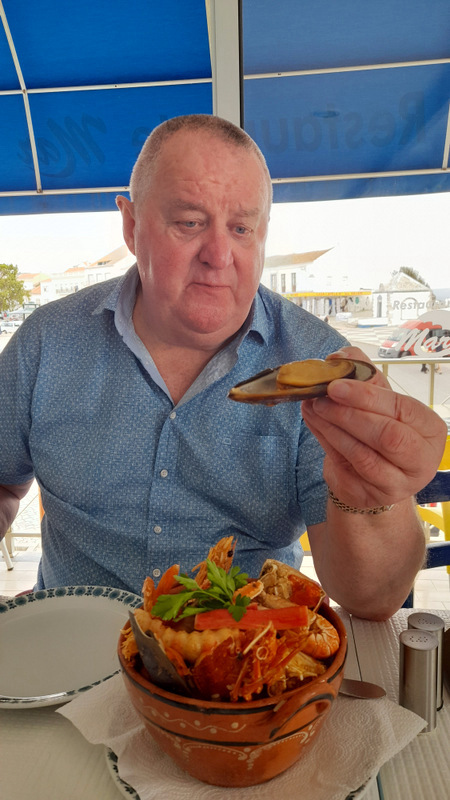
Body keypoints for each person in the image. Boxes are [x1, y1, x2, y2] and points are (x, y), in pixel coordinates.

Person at [0, 115, 446, 620]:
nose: (219, 255)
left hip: (243, 665)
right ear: (130, 225)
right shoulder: (46, 342)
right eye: (190, 222)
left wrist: (371, 498)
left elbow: (372, 599)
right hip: (70, 649)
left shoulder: (319, 366)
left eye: (241, 228)